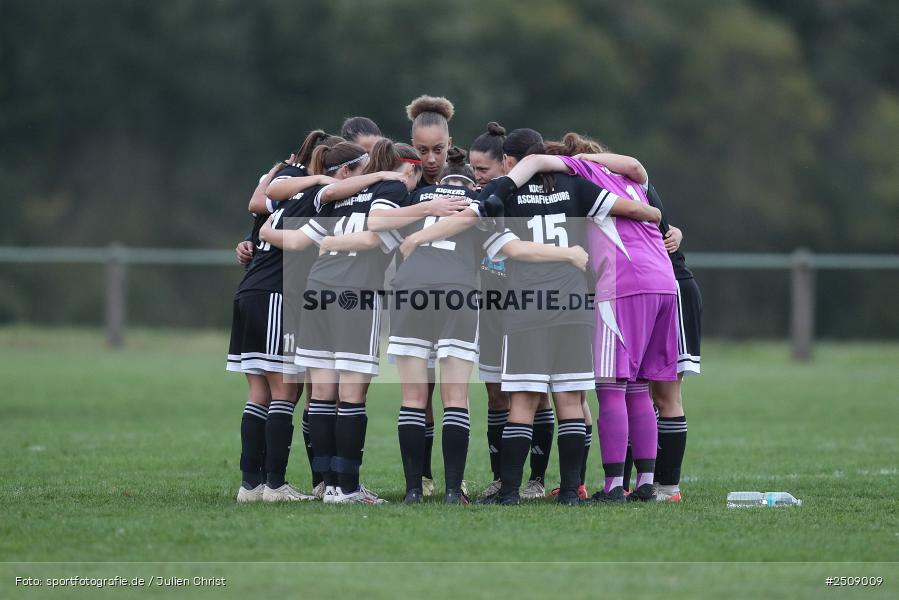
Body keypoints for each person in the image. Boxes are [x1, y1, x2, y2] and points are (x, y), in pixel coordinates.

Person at [405, 127, 660, 505]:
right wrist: (659, 217)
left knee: (522, 402)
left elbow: (471, 225)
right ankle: (572, 493)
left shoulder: (504, 192)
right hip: (573, 306)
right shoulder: (576, 186)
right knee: (570, 403)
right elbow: (634, 208)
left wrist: (416, 238)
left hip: (527, 307)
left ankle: (509, 492)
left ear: (509, 161)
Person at [262, 139, 421, 504]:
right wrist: (432, 210)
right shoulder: (394, 189)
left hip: (317, 288)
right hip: (356, 293)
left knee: (322, 393)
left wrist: (268, 234)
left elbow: (303, 239)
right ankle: (346, 488)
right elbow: (371, 237)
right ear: (408, 168)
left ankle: (329, 484)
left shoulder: (343, 195)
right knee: (351, 395)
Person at [228, 131, 343, 503]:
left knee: (259, 392)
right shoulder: (311, 195)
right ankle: (275, 485)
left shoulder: (282, 192)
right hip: (276, 295)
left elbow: (258, 204)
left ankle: (251, 485)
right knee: (285, 391)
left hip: (249, 292)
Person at [369, 148, 479, 504]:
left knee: (413, 399)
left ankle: (415, 490)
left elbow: (379, 228)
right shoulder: (481, 199)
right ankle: (452, 492)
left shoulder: (416, 197)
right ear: (472, 182)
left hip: (409, 289)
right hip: (456, 291)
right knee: (455, 398)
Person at [468, 122, 554, 500]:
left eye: (484, 170)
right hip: (490, 307)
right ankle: (502, 477)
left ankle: (535, 479)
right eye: (473, 169)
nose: (478, 176)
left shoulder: (525, 197)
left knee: (539, 394)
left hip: (527, 307)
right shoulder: (480, 199)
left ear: (506, 164)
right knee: (496, 394)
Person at [405, 94, 456, 494]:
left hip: (463, 300)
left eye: (438, 149)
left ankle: (493, 481)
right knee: (419, 393)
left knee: (462, 392)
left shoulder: (468, 181)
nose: (431, 158)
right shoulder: (403, 183)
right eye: (422, 150)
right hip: (414, 299)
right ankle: (420, 477)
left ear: (450, 143)